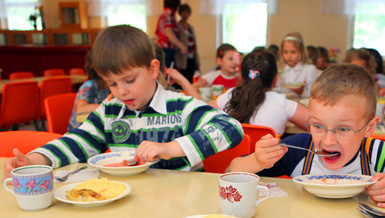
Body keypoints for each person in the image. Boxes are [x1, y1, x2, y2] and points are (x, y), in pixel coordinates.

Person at [3, 25, 244, 178]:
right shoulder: (110, 112)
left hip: (179, 207)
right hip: (128, 200)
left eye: (129, 80)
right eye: (112, 83)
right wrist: (34, 160)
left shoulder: (180, 107)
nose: (121, 92)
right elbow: (77, 141)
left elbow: (231, 128)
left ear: (152, 69)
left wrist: (170, 148)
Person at [226, 64, 385, 208]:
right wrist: (257, 161)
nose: (327, 141)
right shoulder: (301, 147)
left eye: (343, 129)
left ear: (369, 128)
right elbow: (231, 172)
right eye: (317, 126)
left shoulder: (378, 154)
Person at [210, 49, 308, 137]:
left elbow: (200, 117)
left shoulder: (229, 95)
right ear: (275, 79)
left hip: (232, 157)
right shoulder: (281, 103)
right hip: (265, 157)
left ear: (241, 77)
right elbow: (318, 124)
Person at [67, 51, 110, 131]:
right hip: (81, 131)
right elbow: (80, 108)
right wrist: (108, 107)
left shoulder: (111, 85)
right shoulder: (89, 86)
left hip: (98, 126)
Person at [277, 32, 321, 97]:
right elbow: (278, 89)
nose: (289, 56)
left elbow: (313, 94)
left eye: (293, 52)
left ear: (301, 52)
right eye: (285, 52)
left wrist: (302, 92)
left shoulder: (309, 69)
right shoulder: (280, 68)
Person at [155, 0, 187, 68]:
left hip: (162, 49)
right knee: (170, 73)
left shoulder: (163, 14)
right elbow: (169, 34)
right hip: (167, 49)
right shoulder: (169, 13)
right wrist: (182, 46)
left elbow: (157, 36)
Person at [175, 4, 200, 83]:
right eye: (184, 12)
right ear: (180, 13)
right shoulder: (177, 27)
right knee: (182, 80)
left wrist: (197, 62)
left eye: (187, 12)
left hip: (192, 58)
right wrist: (178, 63)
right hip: (182, 59)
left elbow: (194, 45)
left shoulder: (190, 27)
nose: (185, 15)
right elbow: (177, 46)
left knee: (191, 79)